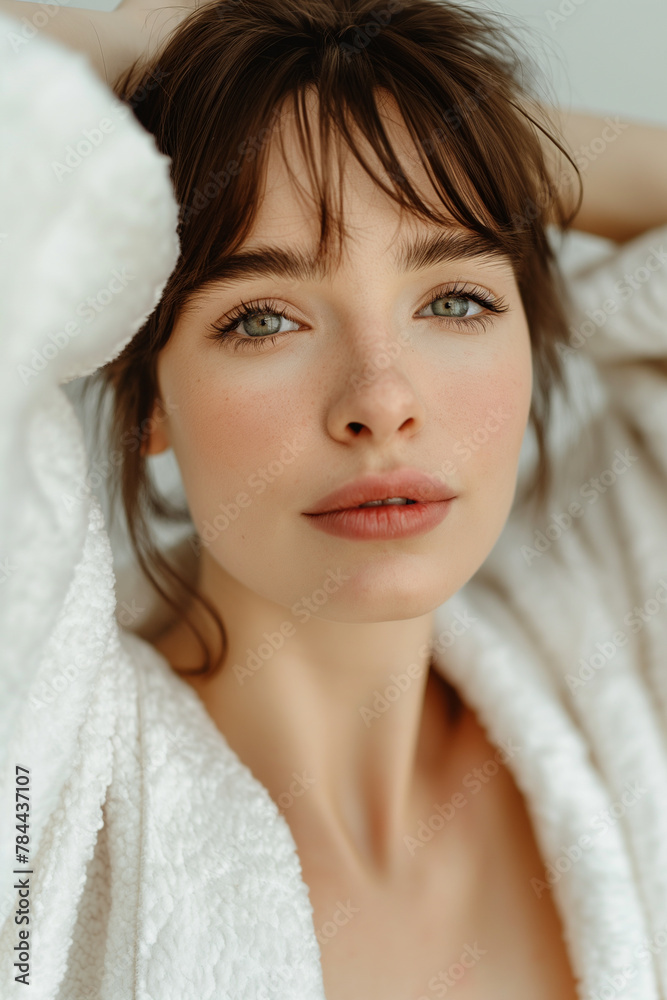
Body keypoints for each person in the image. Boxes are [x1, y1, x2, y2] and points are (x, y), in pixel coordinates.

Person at [1, 1, 666, 998]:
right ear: (150, 396)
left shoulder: (605, 645)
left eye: (454, 299)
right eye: (262, 318)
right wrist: (209, 76)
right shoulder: (40, 781)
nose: (381, 401)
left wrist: (442, 121)